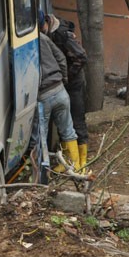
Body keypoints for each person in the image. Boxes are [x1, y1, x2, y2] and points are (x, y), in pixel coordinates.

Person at [37, 14, 82, 173]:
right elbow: (61, 58)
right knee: (68, 130)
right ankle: (75, 166)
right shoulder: (44, 39)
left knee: (41, 137)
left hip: (43, 95)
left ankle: (44, 172)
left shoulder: (26, 43)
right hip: (60, 89)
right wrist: (63, 79)